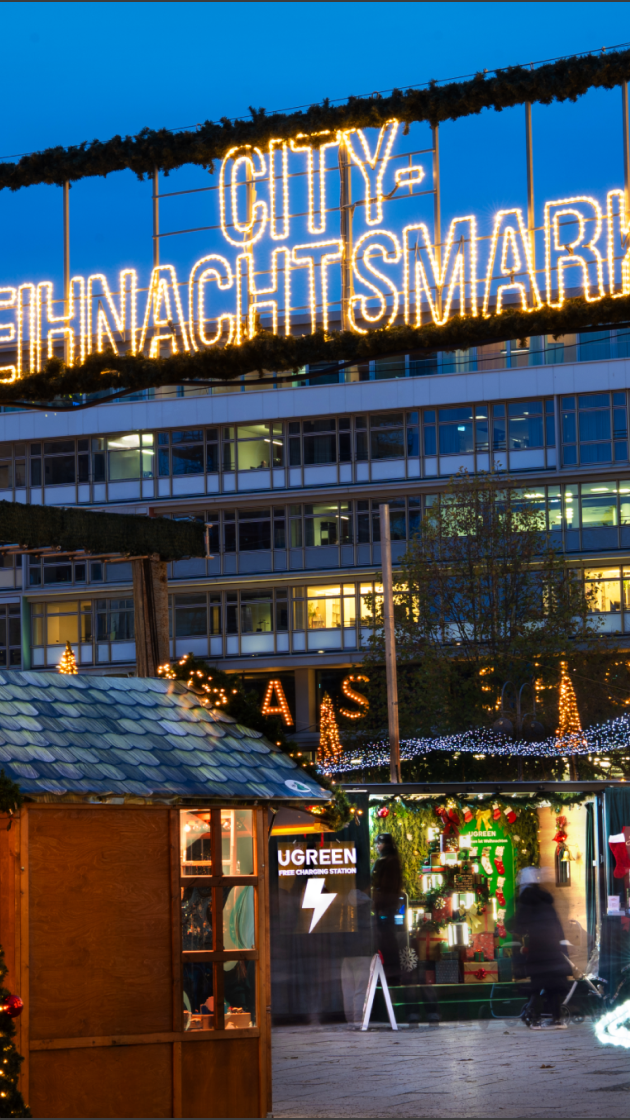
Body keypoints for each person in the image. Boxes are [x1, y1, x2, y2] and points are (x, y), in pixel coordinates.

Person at [510, 867, 570, 1029]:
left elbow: (519, 924)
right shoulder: (546, 901)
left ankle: (534, 1018)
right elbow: (557, 925)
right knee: (553, 985)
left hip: (538, 948)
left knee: (537, 984)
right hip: (553, 948)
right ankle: (557, 1019)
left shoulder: (526, 900)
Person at [371, 832, 403, 984]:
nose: (377, 846)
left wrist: (379, 905)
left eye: (379, 843)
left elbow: (384, 886)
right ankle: (391, 974)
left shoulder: (386, 861)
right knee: (389, 939)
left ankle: (389, 974)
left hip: (383, 908)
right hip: (387, 907)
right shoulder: (392, 860)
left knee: (385, 940)